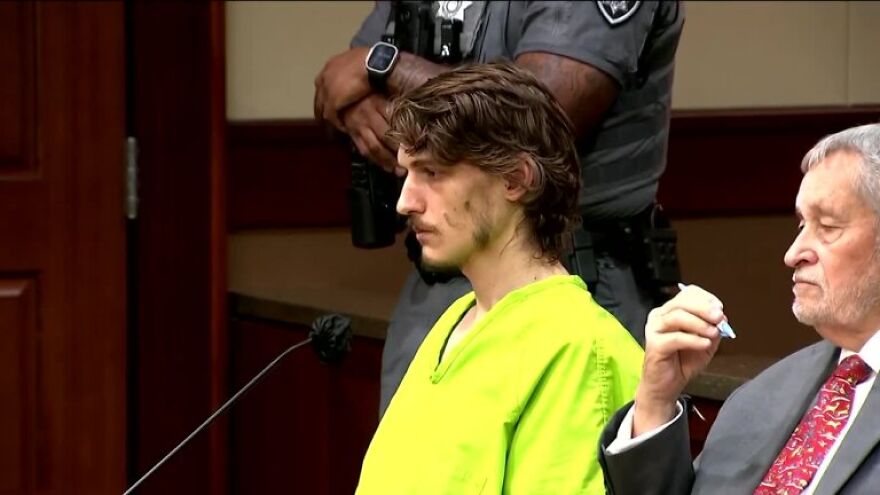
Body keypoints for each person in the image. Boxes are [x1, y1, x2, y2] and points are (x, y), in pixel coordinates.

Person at [314, 0, 685, 416]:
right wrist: (366, 85)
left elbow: (538, 116)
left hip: (564, 277)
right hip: (438, 285)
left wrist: (387, 67)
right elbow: (339, 86)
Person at [354, 62, 644, 494]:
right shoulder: (455, 321)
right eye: (407, 173)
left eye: (432, 173)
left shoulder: (580, 349)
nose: (405, 202)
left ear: (516, 178)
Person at [598, 123, 880, 495]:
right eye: (801, 224)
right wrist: (655, 401)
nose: (793, 253)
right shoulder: (759, 398)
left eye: (827, 226)